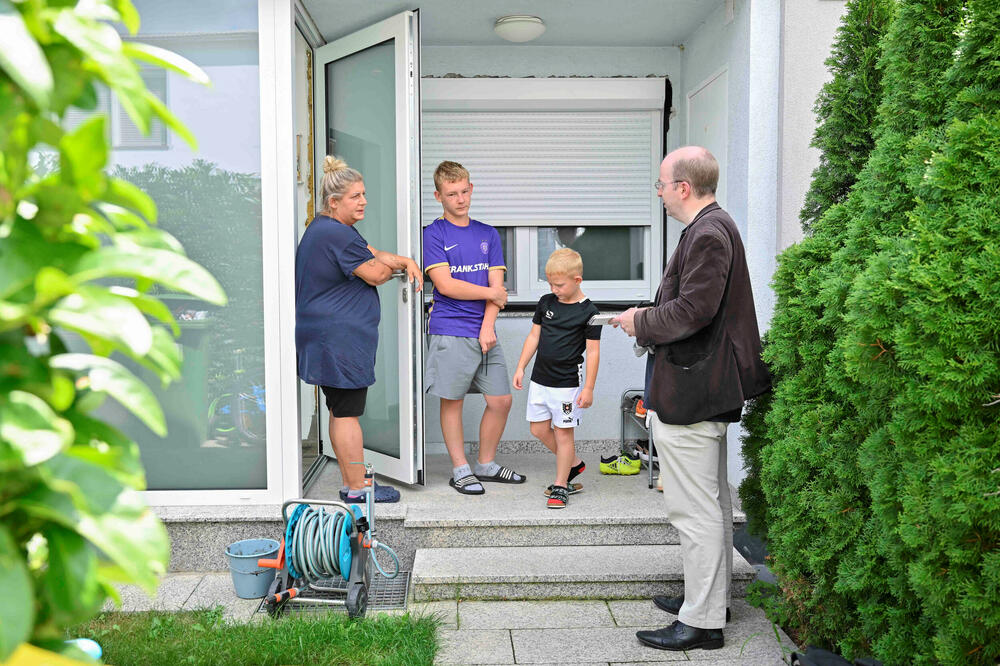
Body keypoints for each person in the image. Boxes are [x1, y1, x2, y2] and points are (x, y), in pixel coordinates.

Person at [614, 146, 770, 651]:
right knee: (714, 503)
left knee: (694, 510)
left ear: (683, 187)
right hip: (704, 387)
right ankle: (709, 600)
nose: (657, 194)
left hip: (694, 391)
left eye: (660, 184)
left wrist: (639, 320)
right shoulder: (712, 227)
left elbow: (692, 311)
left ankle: (702, 622)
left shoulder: (708, 233)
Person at [295, 156, 423, 503]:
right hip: (339, 339)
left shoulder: (329, 228)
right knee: (348, 412)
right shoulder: (335, 233)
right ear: (334, 202)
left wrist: (406, 261)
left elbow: (372, 253)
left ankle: (352, 481)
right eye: (355, 196)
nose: (364, 201)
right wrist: (396, 267)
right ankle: (357, 487)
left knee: (340, 411)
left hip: (328, 337)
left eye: (364, 194)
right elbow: (376, 272)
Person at [423, 160, 525, 495]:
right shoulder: (433, 234)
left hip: (484, 330)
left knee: (501, 400)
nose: (460, 198)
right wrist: (492, 294)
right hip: (450, 328)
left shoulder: (487, 233)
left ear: (471, 188)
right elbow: (446, 285)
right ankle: (460, 469)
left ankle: (485, 463)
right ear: (439, 196)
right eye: (452, 193)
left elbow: (498, 286)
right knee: (452, 401)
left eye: (464, 191)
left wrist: (487, 327)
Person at [512, 249, 601, 509]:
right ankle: (574, 464)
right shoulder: (546, 303)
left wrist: (589, 388)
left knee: (564, 435)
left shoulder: (590, 312)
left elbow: (593, 352)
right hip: (540, 380)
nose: (554, 289)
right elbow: (533, 337)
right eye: (550, 283)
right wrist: (520, 367)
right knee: (538, 429)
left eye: (559, 284)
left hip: (567, 385)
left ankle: (561, 485)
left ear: (577, 280)